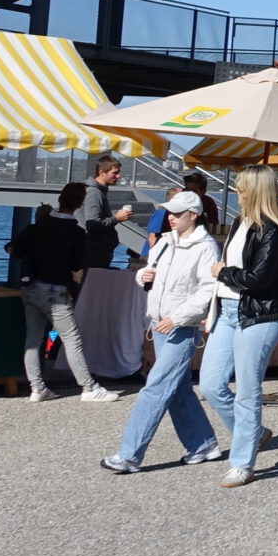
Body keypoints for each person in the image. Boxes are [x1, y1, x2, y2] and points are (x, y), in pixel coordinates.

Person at [101, 192, 226, 474]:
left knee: (156, 387)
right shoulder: (165, 242)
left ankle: (129, 454)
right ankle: (204, 445)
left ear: (193, 215)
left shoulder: (205, 247)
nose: (171, 217)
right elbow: (148, 270)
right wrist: (142, 276)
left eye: (178, 213)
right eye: (170, 212)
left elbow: (208, 291)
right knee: (178, 388)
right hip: (160, 324)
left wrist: (176, 317)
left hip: (181, 327)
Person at [203, 167, 278, 485]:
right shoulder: (239, 223)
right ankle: (254, 432)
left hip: (261, 314)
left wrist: (223, 272)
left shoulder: (272, 230)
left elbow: (259, 278)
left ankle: (242, 462)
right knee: (210, 384)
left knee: (247, 389)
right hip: (228, 309)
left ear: (255, 191)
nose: (237, 192)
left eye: (241, 187)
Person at [7, 182, 115, 402]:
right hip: (55, 290)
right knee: (72, 339)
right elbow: (76, 266)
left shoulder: (38, 226)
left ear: (60, 199)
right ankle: (89, 387)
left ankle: (37, 388)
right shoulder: (76, 232)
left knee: (33, 339)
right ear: (80, 204)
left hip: (31, 287)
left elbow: (12, 248)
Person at [78, 155, 134, 269]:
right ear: (102, 173)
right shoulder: (94, 193)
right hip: (93, 251)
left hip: (93, 249)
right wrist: (116, 218)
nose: (118, 176)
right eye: (115, 173)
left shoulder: (96, 191)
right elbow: (92, 224)